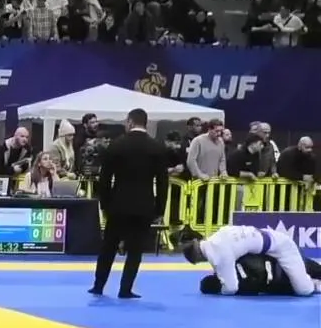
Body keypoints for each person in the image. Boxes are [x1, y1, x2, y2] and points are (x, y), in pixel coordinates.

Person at [91, 108, 169, 299]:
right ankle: (125, 289)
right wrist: (159, 208)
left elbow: (104, 178)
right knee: (135, 250)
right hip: (144, 205)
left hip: (118, 204)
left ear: (130, 122)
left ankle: (98, 286)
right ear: (145, 123)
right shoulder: (156, 147)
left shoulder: (117, 145)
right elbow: (163, 182)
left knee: (109, 247)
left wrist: (105, 204)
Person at [182, 225, 321, 296]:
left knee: (304, 290)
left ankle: (316, 284)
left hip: (283, 248)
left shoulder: (219, 255)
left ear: (197, 260)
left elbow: (231, 288)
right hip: (271, 243)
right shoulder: (217, 237)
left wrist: (221, 289)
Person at [199, 254, 321, 296]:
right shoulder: (229, 262)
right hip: (280, 264)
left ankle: (314, 285)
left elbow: (256, 290)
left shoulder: (237, 289)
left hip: (279, 279)